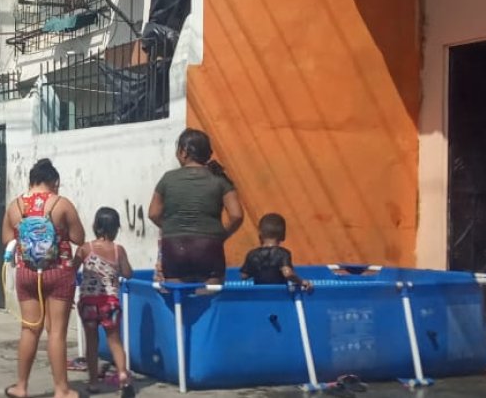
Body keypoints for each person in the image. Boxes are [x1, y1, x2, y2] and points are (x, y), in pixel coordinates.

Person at [1, 158, 85, 398]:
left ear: (31, 180)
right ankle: (62, 390)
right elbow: (79, 237)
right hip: (59, 272)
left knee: (29, 330)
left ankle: (21, 387)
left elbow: (7, 239)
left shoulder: (15, 206)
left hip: (27, 274)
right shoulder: (61, 204)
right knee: (56, 332)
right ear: (54, 181)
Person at [148, 128, 244, 285]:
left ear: (183, 152)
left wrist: (174, 227)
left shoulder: (167, 178)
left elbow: (153, 213)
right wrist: (220, 235)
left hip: (174, 247)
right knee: (209, 300)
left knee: (178, 301)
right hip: (208, 247)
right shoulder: (220, 179)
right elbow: (236, 215)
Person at [76, 208, 134, 397]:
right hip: (110, 303)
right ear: (116, 228)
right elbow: (128, 273)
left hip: (88, 303)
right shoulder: (118, 250)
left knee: (91, 342)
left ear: (96, 226)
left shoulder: (85, 248)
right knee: (115, 341)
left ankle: (93, 383)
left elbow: (71, 269)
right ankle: (123, 376)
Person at [239, 213, 311, 291]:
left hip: (259, 294)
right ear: (283, 236)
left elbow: (244, 276)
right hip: (279, 294)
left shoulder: (252, 254)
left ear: (260, 235)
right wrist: (301, 282)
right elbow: (288, 273)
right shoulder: (283, 254)